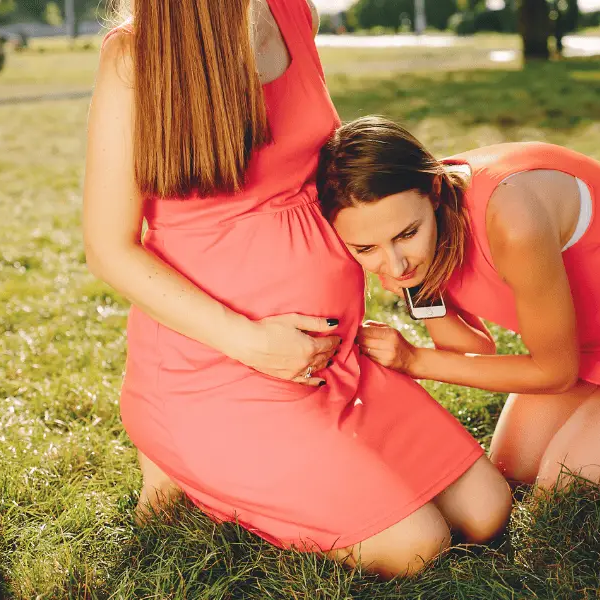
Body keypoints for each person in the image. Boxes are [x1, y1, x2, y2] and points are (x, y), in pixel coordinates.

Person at [82, 0, 510, 578]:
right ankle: (184, 461)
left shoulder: (290, 13)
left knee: (488, 511)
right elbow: (110, 249)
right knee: (419, 546)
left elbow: (336, 175)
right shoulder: (134, 59)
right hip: (218, 371)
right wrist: (252, 342)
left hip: (334, 359)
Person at [318, 117, 600, 493]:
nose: (392, 263)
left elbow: (554, 373)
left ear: (433, 189)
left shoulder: (511, 216)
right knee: (513, 474)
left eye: (406, 235)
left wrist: (412, 361)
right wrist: (421, 288)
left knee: (564, 493)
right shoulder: (414, 222)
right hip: (589, 342)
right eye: (365, 248)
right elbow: (474, 351)